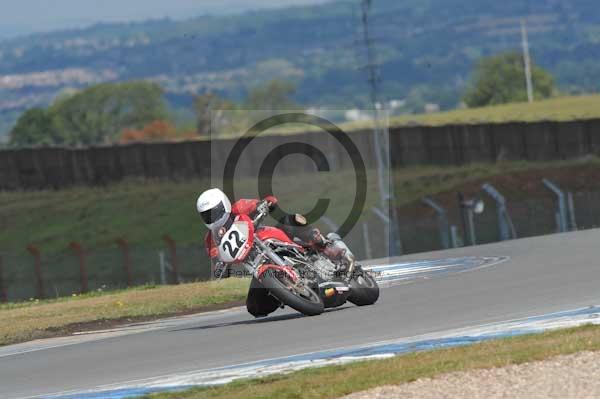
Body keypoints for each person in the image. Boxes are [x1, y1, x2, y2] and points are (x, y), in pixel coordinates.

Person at [196, 188, 353, 317]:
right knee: (255, 307)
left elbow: (259, 204)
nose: (212, 218)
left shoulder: (239, 207)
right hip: (257, 265)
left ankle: (326, 247)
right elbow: (217, 260)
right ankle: (284, 292)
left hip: (268, 239)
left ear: (224, 205)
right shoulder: (211, 239)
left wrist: (265, 204)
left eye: (214, 212)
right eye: (207, 215)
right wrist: (219, 269)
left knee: (291, 220)